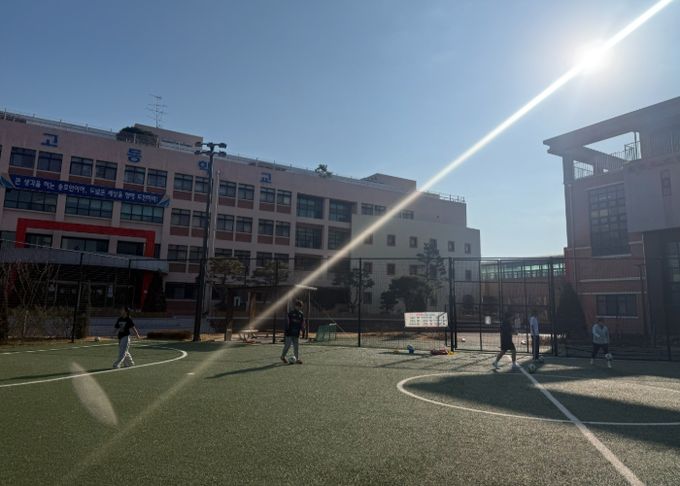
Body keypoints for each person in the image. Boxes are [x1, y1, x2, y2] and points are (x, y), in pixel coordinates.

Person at [281, 299, 305, 364]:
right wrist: (286, 330)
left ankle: (296, 359)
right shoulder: (291, 313)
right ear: (295, 306)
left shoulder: (301, 314)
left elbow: (302, 322)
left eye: (300, 306)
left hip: (296, 333)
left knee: (296, 347)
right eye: (297, 306)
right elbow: (287, 322)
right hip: (289, 332)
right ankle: (282, 357)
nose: (298, 307)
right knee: (287, 346)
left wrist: (303, 329)